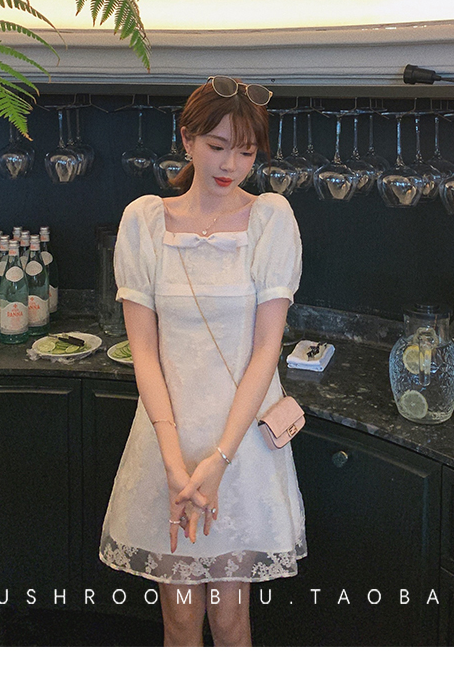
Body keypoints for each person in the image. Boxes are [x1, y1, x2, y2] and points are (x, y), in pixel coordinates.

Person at [99, 76, 306, 646]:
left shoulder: (270, 220)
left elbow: (266, 349)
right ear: (187, 138)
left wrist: (218, 460)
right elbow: (144, 351)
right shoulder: (144, 222)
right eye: (217, 146)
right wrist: (175, 463)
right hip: (169, 439)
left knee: (231, 620)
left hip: (240, 445)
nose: (231, 164)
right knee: (180, 619)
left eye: (246, 152)